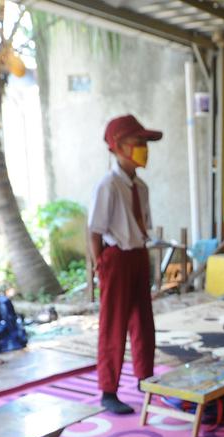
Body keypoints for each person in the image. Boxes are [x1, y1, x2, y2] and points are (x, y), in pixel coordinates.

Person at [89, 115, 161, 415]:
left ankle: (145, 377)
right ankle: (109, 390)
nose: (144, 149)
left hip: (137, 255)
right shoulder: (108, 185)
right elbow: (94, 229)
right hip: (116, 257)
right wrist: (99, 265)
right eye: (138, 143)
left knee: (143, 320)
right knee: (113, 325)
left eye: (146, 144)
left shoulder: (140, 187)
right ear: (118, 146)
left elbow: (143, 223)